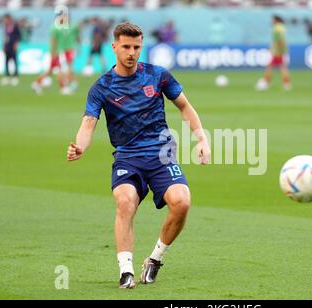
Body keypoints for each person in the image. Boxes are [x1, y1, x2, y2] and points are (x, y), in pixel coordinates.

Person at [66, 22, 210, 289]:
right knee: (125, 201)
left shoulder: (158, 76)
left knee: (182, 202)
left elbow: (185, 106)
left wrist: (201, 137)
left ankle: (155, 259)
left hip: (161, 156)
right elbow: (88, 123)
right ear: (114, 47)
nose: (131, 53)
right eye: (126, 47)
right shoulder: (102, 87)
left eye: (136, 47)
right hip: (128, 157)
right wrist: (80, 146)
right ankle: (126, 271)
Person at [31, 13, 80, 95]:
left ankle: (36, 84)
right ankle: (63, 87)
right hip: (55, 53)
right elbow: (53, 41)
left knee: (50, 71)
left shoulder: (62, 27)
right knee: (59, 70)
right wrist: (53, 53)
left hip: (59, 52)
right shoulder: (55, 28)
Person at [256, 15, 291, 91]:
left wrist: (277, 49)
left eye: (272, 20)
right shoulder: (282, 27)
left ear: (276, 20)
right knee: (281, 67)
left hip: (278, 51)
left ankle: (266, 82)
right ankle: (286, 83)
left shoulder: (277, 28)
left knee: (271, 66)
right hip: (280, 50)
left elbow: (279, 39)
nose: (271, 21)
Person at [0, 14, 21, 86]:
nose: (5, 21)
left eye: (6, 19)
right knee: (6, 61)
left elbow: (19, 36)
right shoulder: (6, 27)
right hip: (7, 46)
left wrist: (16, 44)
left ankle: (15, 76)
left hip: (13, 46)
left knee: (14, 61)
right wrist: (3, 46)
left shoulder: (15, 26)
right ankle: (7, 76)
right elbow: (5, 37)